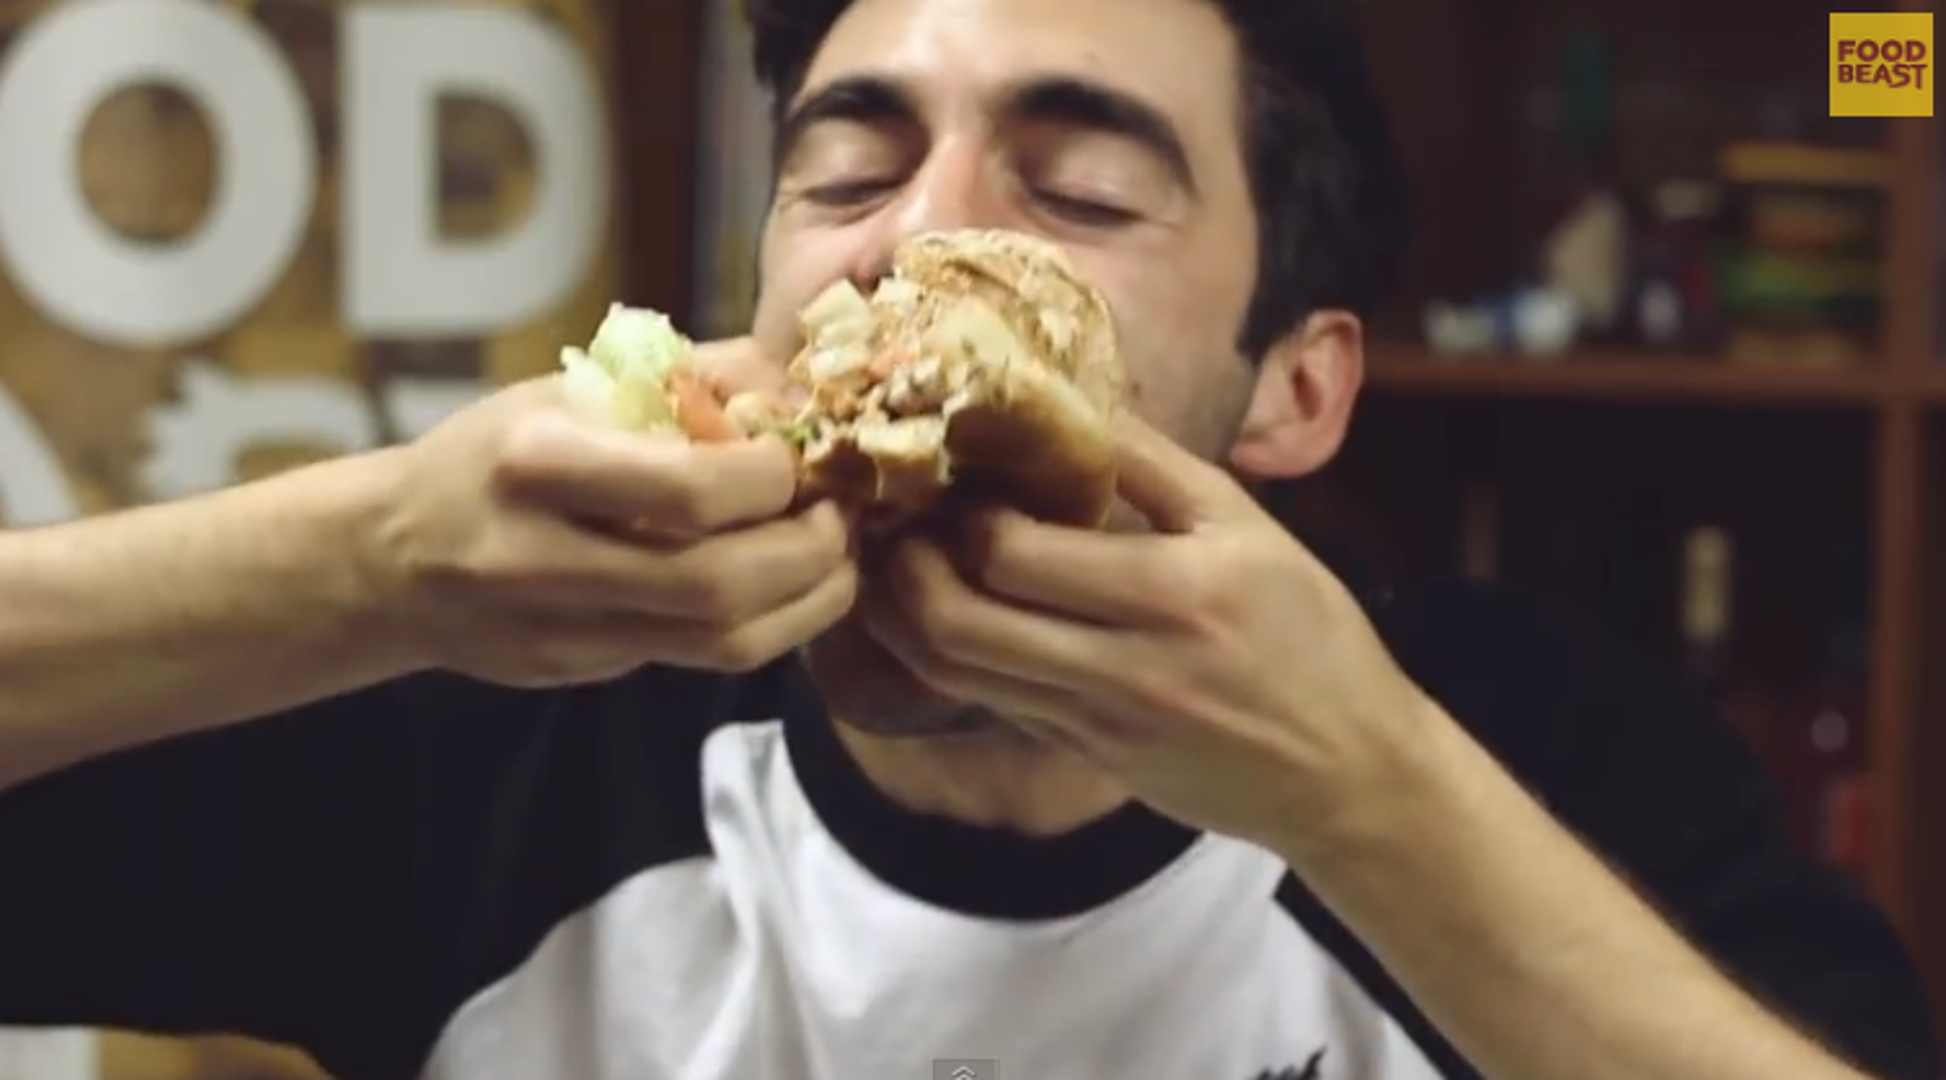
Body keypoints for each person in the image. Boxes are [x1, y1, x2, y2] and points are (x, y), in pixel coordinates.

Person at [0, 0, 1936, 1078]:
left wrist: (1369, 793)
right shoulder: (496, 727)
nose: (919, 238)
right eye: (846, 169)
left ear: (1296, 388)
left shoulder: (1539, 756)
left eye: (1076, 189)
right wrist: (363, 562)